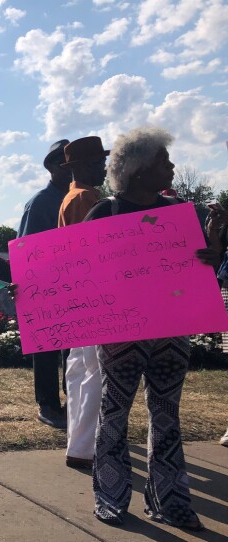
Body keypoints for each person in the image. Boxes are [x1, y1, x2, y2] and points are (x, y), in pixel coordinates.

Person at [83, 126, 223, 531]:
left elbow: (202, 271)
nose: (171, 166)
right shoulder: (105, 212)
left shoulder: (182, 213)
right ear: (139, 169)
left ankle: (171, 500)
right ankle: (111, 496)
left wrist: (213, 247)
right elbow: (72, 270)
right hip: (122, 333)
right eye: (163, 161)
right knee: (114, 413)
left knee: (167, 415)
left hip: (172, 332)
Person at [56, 136, 110, 469]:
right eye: (98, 162)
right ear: (81, 166)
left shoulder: (70, 197)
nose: (103, 167)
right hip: (92, 294)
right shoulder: (88, 198)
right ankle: (83, 448)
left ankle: (77, 441)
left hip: (77, 296)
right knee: (96, 371)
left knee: (79, 370)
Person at [18, 139, 72, 429]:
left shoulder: (88, 199)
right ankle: (48, 405)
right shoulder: (40, 203)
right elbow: (26, 249)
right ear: (51, 167)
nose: (71, 170)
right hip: (46, 289)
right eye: (65, 163)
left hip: (78, 288)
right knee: (47, 348)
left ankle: (73, 403)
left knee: (75, 353)